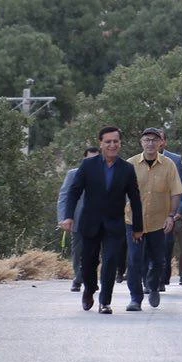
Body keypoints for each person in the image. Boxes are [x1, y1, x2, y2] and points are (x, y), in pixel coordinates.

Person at [61, 127, 143, 315]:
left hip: (114, 225)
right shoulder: (88, 165)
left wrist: (138, 227)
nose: (112, 145)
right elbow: (74, 191)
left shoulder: (127, 169)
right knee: (88, 263)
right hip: (90, 223)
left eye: (115, 141)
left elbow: (135, 199)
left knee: (110, 262)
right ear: (101, 144)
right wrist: (68, 216)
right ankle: (89, 289)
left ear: (120, 143)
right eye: (108, 142)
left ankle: (105, 301)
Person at [124, 127, 182, 311]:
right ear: (141, 143)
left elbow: (176, 192)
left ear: (161, 143)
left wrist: (171, 216)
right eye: (147, 140)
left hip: (159, 222)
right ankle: (135, 298)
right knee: (134, 260)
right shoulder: (130, 164)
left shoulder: (169, 165)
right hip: (134, 221)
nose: (150, 143)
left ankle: (153, 284)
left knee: (159, 260)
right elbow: (119, 191)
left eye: (154, 140)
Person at [56, 146, 99, 291]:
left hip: (98, 220)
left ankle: (90, 278)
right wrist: (63, 218)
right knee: (78, 252)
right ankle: (78, 278)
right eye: (90, 159)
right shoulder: (73, 174)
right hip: (78, 219)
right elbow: (64, 196)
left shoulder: (105, 174)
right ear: (84, 159)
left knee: (95, 252)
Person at [160, 131, 182, 289]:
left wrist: (180, 211)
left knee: (168, 245)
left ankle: (165, 277)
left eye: (160, 139)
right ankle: (159, 279)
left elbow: (181, 187)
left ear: (165, 142)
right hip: (153, 211)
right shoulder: (141, 159)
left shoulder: (175, 159)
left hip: (174, 211)